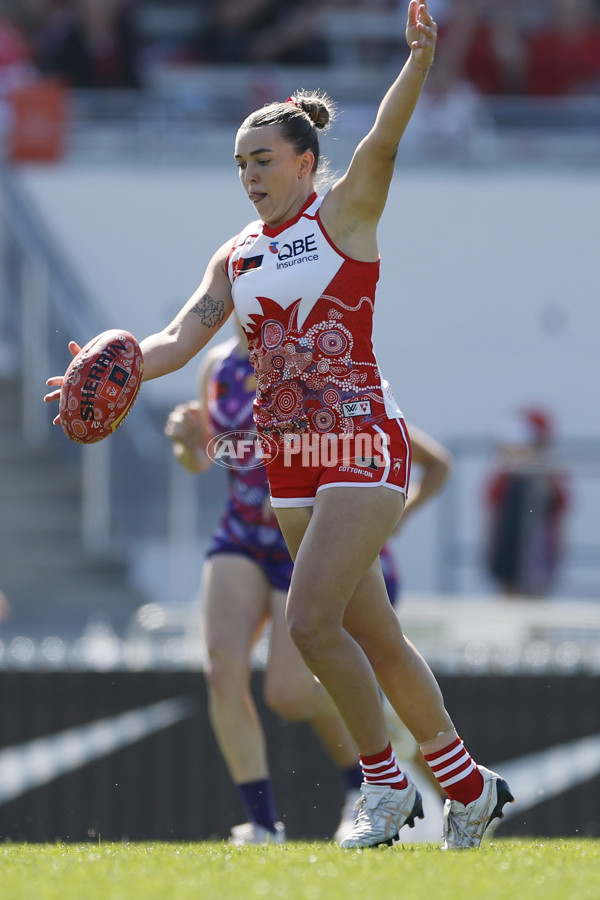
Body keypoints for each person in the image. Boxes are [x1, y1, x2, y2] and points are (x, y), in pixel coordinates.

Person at [45, 1, 513, 850]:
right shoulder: (238, 254)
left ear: (304, 161)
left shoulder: (343, 215)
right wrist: (113, 364)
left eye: (262, 160)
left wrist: (416, 63)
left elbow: (384, 141)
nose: (249, 175)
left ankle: (383, 787)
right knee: (373, 636)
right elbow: (180, 337)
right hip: (288, 454)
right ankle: (470, 788)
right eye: (239, 164)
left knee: (307, 625)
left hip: (360, 438)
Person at [164, 322, 451, 843]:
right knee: (221, 667)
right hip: (242, 534)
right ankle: (261, 824)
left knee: (290, 694)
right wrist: (187, 443)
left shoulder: (317, 364)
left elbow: (407, 455)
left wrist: (389, 517)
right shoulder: (218, 365)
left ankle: (374, 748)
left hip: (302, 543)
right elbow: (207, 457)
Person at [484, 406, 570, 598]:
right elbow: (491, 513)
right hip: (509, 549)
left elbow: (559, 514)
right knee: (508, 595)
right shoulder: (504, 477)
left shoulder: (550, 476)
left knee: (535, 597)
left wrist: (558, 553)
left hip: (538, 553)